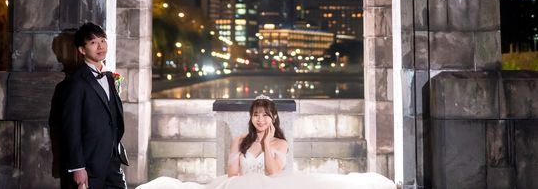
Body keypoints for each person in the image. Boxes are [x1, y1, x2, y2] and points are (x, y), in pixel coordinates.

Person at [136, 96, 395, 189]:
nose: (260, 119)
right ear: (251, 117)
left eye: (265, 115)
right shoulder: (239, 139)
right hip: (239, 184)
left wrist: (268, 143)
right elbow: (232, 173)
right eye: (256, 115)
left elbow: (272, 173)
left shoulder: (280, 143)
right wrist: (241, 170)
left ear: (273, 117)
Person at [61, 22, 129, 189]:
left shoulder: (110, 77)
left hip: (113, 161)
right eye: (93, 42)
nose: (100, 46)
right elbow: (71, 127)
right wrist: (78, 167)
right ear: (82, 50)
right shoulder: (76, 82)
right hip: (89, 163)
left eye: (103, 40)